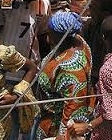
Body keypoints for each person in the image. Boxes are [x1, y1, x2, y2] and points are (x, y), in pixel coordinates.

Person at [35, 11, 93, 140]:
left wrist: (63, 136)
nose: (48, 39)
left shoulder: (70, 68)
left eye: (50, 35)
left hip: (55, 130)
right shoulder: (78, 41)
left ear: (62, 37)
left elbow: (73, 107)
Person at [0, 0, 51, 82]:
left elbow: (42, 35)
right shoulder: (8, 3)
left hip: (31, 72)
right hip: (6, 71)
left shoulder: (44, 4)